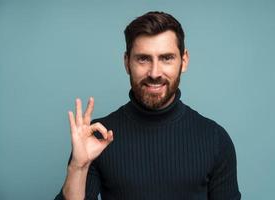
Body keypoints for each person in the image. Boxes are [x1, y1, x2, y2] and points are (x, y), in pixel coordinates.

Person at [55, 11, 241, 200]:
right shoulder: (97, 138)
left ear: (183, 61)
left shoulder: (215, 139)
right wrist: (78, 167)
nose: (154, 72)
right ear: (127, 62)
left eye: (166, 58)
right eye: (143, 59)